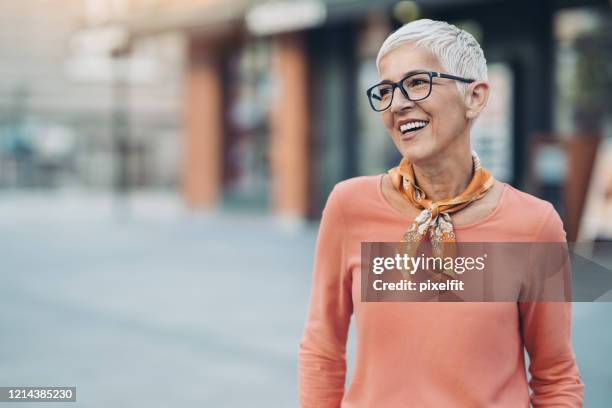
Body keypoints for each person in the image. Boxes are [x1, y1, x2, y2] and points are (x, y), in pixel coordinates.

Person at [298, 19, 584, 407]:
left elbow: (556, 377)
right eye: (385, 90)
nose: (398, 104)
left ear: (476, 97)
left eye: (417, 82)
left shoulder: (534, 225)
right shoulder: (349, 206)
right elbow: (322, 352)